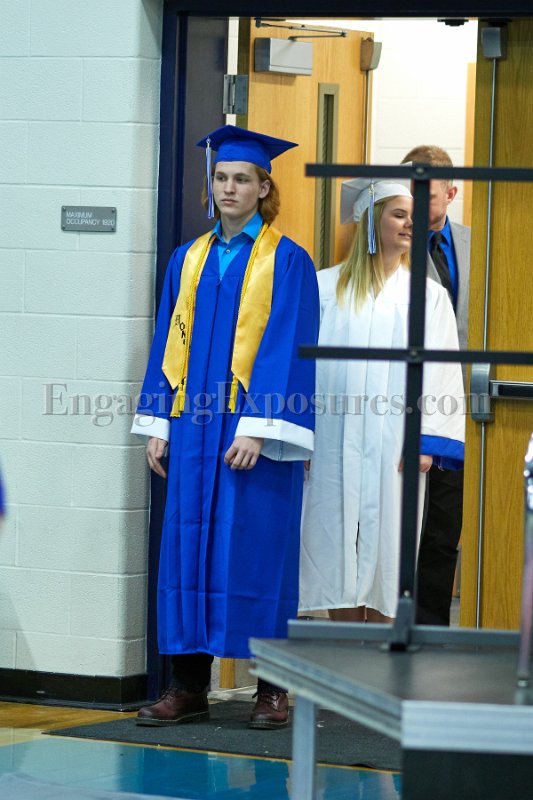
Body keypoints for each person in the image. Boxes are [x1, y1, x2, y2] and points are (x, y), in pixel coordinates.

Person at [131, 125, 319, 729]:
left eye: (242, 178)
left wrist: (259, 427)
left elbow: (288, 348)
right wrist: (160, 422)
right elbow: (167, 340)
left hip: (250, 433)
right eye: (221, 177)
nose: (229, 188)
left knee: (258, 552)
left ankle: (272, 690)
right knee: (188, 549)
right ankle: (188, 687)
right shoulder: (188, 258)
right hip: (193, 429)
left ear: (264, 187)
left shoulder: (288, 261)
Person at [298, 178, 465, 622]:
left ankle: (379, 654)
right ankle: (348, 650)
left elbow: (442, 372)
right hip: (331, 436)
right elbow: (299, 366)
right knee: (334, 544)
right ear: (372, 221)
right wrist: (301, 433)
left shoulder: (428, 297)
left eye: (414, 216)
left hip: (396, 442)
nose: (411, 224)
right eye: (399, 215)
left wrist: (428, 441)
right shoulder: (321, 289)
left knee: (391, 550)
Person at [402, 145, 471, 626]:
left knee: (445, 528)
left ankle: (431, 631)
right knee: (402, 526)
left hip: (468, 407)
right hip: (406, 401)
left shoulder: (477, 243)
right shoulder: (388, 242)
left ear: (451, 192)